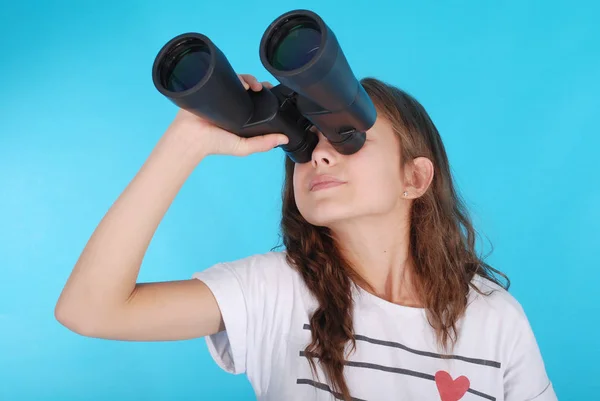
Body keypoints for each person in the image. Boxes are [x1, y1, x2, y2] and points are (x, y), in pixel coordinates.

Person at [55, 73, 557, 401]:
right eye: (305, 141)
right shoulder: (273, 292)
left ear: (415, 179)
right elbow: (89, 310)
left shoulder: (494, 318)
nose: (318, 154)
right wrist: (185, 142)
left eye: (347, 136)